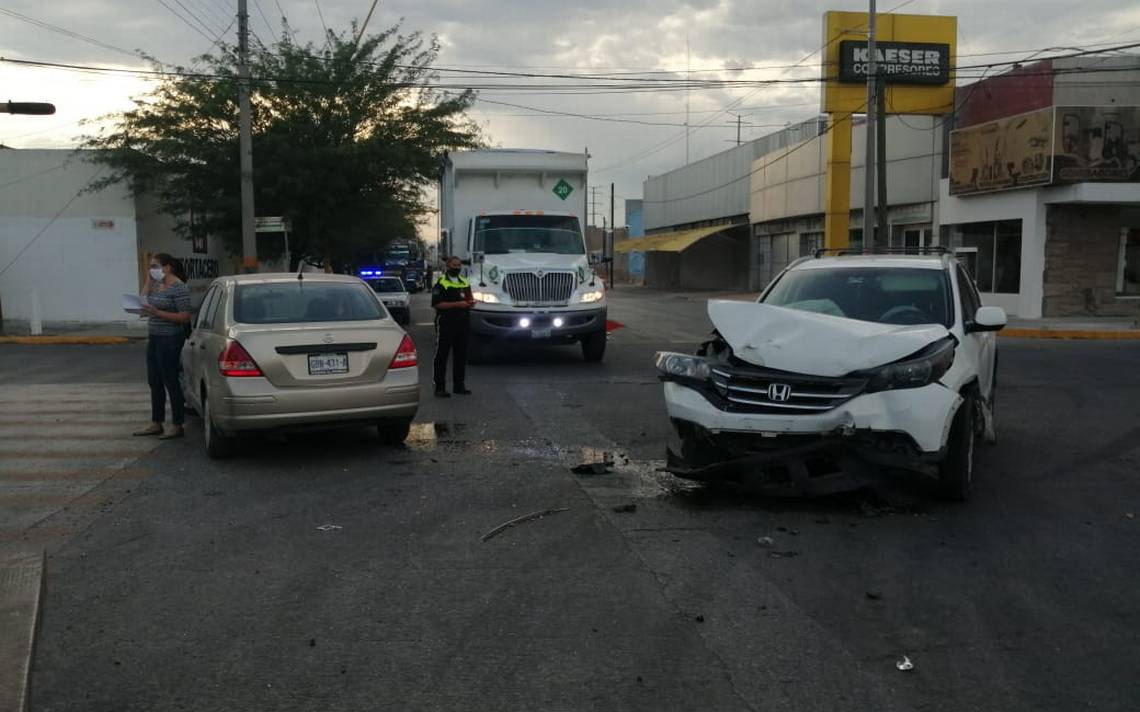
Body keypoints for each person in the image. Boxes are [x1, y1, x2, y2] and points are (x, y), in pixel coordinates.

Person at [133, 253, 192, 439]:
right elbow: (142, 299)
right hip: (155, 337)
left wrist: (157, 312)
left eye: (155, 266)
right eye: (151, 266)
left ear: (167, 267)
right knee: (154, 380)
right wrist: (148, 283)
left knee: (171, 380)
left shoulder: (179, 287)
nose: (152, 270)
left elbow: (184, 316)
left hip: (170, 340)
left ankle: (177, 424)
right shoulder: (157, 285)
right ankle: (156, 422)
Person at [430, 255, 475, 397]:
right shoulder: (440, 283)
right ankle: (440, 387)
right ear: (447, 266)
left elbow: (469, 299)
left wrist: (471, 303)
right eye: (454, 265)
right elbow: (437, 304)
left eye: (458, 265)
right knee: (442, 355)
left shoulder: (464, 282)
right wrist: (458, 304)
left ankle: (459, 385)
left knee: (461, 355)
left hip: (463, 323)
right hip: (446, 323)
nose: (457, 268)